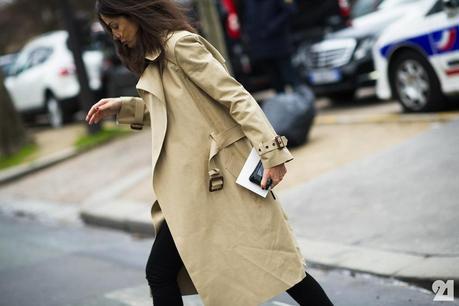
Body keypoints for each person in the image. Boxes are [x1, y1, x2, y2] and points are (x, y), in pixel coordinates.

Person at [87, 1, 334, 305]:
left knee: (281, 267)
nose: (116, 35)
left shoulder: (179, 46)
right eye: (109, 29)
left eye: (115, 25)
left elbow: (236, 97)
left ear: (135, 13)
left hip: (220, 180)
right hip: (193, 190)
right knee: (274, 267)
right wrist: (123, 107)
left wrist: (273, 154)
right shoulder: (158, 57)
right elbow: (172, 111)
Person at [240, 0, 301, 93]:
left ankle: (303, 103)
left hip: (280, 45)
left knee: (291, 78)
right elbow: (248, 19)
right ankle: (283, 105)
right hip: (262, 48)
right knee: (275, 82)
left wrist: (272, 27)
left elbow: (290, 11)